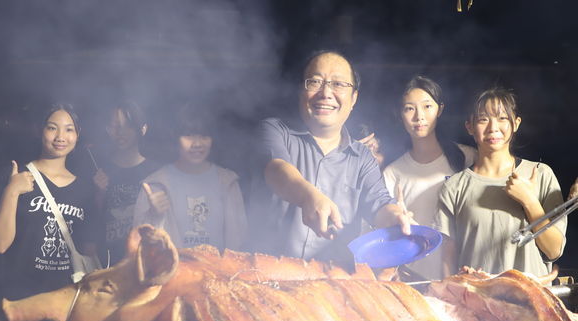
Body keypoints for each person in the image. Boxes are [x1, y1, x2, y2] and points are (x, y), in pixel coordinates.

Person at [433, 88, 566, 321]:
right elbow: (447, 266)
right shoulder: (454, 187)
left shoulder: (539, 175)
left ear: (516, 123)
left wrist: (530, 201)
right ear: (469, 127)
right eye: (483, 119)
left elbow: (554, 249)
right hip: (478, 317)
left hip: (531, 314)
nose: (493, 128)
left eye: (502, 118)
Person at [248, 50, 413, 267]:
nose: (326, 93)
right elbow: (277, 169)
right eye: (315, 82)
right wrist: (308, 196)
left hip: (332, 283)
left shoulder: (362, 157)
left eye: (338, 84)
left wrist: (395, 217)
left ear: (353, 99)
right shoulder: (275, 130)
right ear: (301, 91)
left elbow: (380, 203)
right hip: (266, 273)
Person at [0, 104, 99, 321]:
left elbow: (90, 252)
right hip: (24, 303)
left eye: (69, 129)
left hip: (68, 309)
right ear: (41, 131)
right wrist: (12, 191)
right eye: (52, 127)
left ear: (78, 136)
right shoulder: (17, 177)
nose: (60, 136)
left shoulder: (86, 190)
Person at [382, 76, 475, 280]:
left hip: (463, 276)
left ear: (440, 110)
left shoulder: (467, 158)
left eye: (427, 107)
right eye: (409, 108)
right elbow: (384, 234)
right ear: (400, 114)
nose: (419, 117)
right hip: (414, 278)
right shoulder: (392, 173)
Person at [133, 103, 247, 250]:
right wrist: (153, 215)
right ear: (176, 138)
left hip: (219, 272)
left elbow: (239, 242)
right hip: (173, 272)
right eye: (188, 136)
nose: (197, 144)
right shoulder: (155, 184)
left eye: (204, 136)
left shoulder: (227, 182)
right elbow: (137, 245)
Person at [92, 100, 160, 265]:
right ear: (108, 130)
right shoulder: (99, 170)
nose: (120, 132)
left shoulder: (156, 173)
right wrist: (99, 193)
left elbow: (164, 223)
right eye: (114, 126)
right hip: (108, 263)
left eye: (127, 126)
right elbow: (91, 222)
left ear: (142, 129)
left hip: (145, 261)